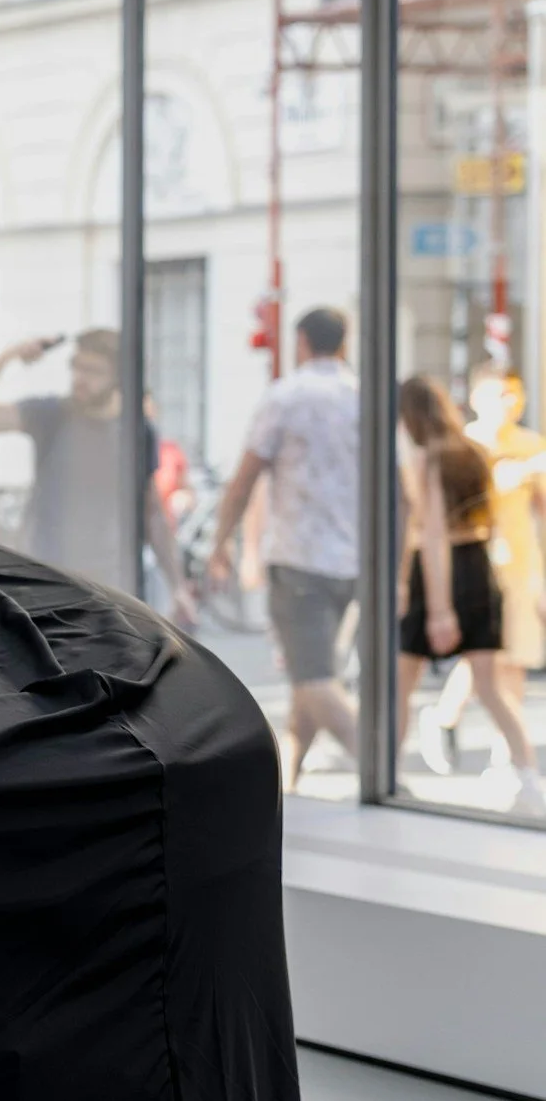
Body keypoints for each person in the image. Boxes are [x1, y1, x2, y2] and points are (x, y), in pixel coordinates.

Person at [209, 307, 362, 790]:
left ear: (300, 342)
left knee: (315, 679)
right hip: (354, 560)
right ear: (343, 341)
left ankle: (380, 764)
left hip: (299, 559)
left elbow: (245, 478)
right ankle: (288, 781)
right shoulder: (364, 396)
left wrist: (220, 543)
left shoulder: (286, 397)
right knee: (306, 677)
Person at [0, 328, 177, 595]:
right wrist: (9, 357)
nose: (79, 378)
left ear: (118, 377)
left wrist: (179, 586)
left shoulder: (137, 431)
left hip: (109, 581)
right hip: (45, 574)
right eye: (76, 367)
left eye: (93, 371)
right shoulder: (51, 414)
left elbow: (152, 511)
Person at [417, 361, 546, 773]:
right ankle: (444, 720)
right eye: (499, 394)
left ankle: (505, 761)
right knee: (485, 659)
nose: (509, 403)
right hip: (479, 564)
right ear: (476, 399)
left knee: (515, 660)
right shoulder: (465, 447)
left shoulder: (531, 444)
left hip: (522, 565)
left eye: (515, 394)